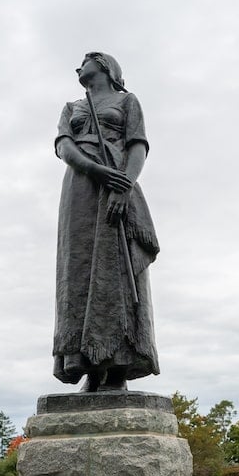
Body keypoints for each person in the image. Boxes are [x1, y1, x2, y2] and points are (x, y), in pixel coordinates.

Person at [52, 52, 159, 392]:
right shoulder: (72, 107)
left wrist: (122, 187)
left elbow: (137, 146)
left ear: (104, 67)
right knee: (78, 273)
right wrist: (99, 173)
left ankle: (117, 368)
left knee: (116, 273)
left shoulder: (127, 102)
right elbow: (65, 148)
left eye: (85, 61)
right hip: (82, 187)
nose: (78, 66)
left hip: (118, 183)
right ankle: (88, 368)